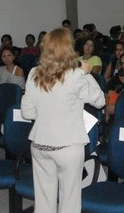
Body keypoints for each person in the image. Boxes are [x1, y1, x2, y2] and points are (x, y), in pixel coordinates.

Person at [21, 28, 105, 213]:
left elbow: (27, 112)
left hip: (40, 145)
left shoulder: (34, 73)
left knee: (43, 202)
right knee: (69, 201)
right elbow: (100, 101)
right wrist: (87, 73)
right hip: (68, 147)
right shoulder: (76, 75)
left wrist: (47, 113)